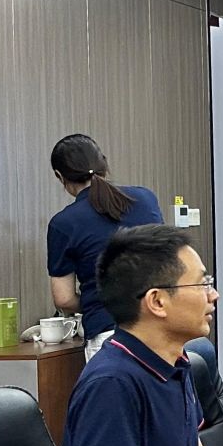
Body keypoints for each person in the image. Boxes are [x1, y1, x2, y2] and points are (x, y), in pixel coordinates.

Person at [58, 226, 216, 446]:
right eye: (202, 284)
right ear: (157, 301)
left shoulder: (175, 361)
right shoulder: (112, 382)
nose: (213, 295)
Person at [46, 134, 162, 355]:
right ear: (104, 163)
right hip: (161, 326)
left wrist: (98, 301)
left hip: (108, 335)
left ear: (60, 176)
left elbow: (64, 298)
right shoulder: (145, 199)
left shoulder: (63, 223)